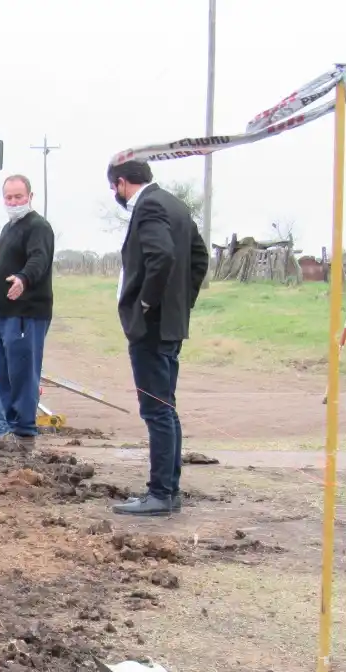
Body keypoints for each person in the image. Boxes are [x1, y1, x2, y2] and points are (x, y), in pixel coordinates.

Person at [108, 159, 210, 516]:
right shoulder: (176, 204)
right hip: (171, 324)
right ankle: (170, 489)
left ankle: (160, 493)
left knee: (156, 409)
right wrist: (183, 303)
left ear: (121, 184)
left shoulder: (148, 205)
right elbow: (200, 258)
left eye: (113, 189)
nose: (115, 196)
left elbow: (162, 255)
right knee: (165, 406)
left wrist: (148, 304)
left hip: (152, 326)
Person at [0, 175, 55, 451]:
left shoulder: (38, 227)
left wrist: (23, 279)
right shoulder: (9, 228)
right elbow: (1, 262)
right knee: (5, 376)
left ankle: (25, 438)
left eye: (18, 197)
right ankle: (8, 434)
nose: (13, 202)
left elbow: (38, 259)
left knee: (23, 375)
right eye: (8, 197)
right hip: (4, 313)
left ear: (30, 196)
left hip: (26, 313)